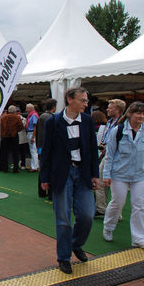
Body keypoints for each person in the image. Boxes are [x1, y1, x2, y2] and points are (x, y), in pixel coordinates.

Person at [40, 87, 100, 274]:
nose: (86, 103)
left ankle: (76, 244)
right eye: (82, 100)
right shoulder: (54, 122)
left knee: (87, 215)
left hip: (82, 174)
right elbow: (47, 150)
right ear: (69, 99)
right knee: (63, 218)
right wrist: (44, 177)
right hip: (61, 175)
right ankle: (64, 257)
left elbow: (92, 148)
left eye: (86, 100)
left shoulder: (88, 121)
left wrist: (94, 174)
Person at [102, 101, 144, 249]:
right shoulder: (118, 131)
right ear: (130, 114)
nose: (141, 116)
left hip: (140, 174)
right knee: (117, 202)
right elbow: (110, 154)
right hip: (119, 173)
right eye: (138, 113)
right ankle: (108, 226)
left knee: (139, 205)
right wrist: (106, 175)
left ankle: (139, 238)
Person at [95, 99, 126, 217]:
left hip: (117, 157)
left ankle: (115, 213)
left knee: (116, 186)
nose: (107, 109)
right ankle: (102, 209)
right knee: (101, 182)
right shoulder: (109, 122)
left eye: (110, 107)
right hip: (106, 155)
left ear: (117, 110)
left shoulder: (122, 124)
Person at [35, 98, 57, 197]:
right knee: (51, 168)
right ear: (54, 107)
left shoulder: (41, 116)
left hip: (40, 145)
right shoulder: (51, 118)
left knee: (43, 167)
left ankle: (42, 191)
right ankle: (51, 193)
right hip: (48, 146)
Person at [0, 106, 24, 173]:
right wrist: (15, 131)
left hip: (5, 136)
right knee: (15, 153)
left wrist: (3, 133)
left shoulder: (3, 118)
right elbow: (21, 126)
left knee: (5, 153)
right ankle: (15, 169)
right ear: (14, 111)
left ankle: (5, 168)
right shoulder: (17, 117)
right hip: (14, 136)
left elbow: (0, 127)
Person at [25, 103, 39, 171]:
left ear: (30, 109)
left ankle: (34, 167)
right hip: (30, 133)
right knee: (33, 150)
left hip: (32, 133)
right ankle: (34, 165)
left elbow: (35, 126)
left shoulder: (33, 115)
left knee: (33, 150)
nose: (26, 110)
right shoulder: (31, 115)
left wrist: (33, 137)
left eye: (27, 108)